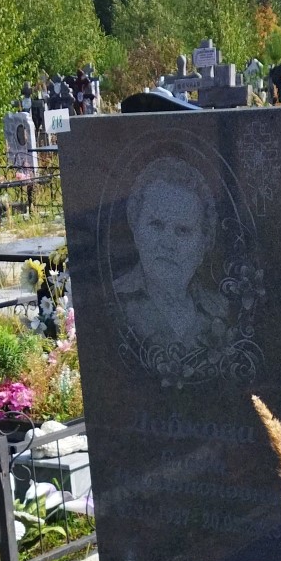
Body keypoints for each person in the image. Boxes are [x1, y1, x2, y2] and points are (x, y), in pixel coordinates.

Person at [109, 154, 254, 387]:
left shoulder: (221, 310)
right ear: (136, 229)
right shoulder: (112, 301)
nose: (168, 243)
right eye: (156, 225)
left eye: (183, 230)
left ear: (204, 243)